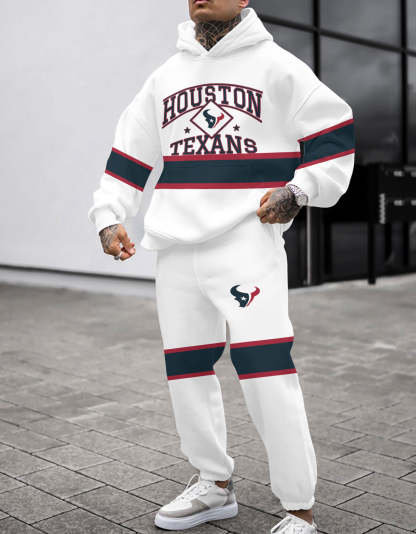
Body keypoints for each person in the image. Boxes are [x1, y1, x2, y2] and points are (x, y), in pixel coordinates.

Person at [88, 1, 355, 532]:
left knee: (265, 368)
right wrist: (109, 214)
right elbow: (130, 152)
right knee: (186, 370)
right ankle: (213, 483)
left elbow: (334, 133)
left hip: (245, 240)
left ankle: (299, 508)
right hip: (175, 246)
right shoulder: (167, 75)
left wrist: (300, 190)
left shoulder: (277, 66)